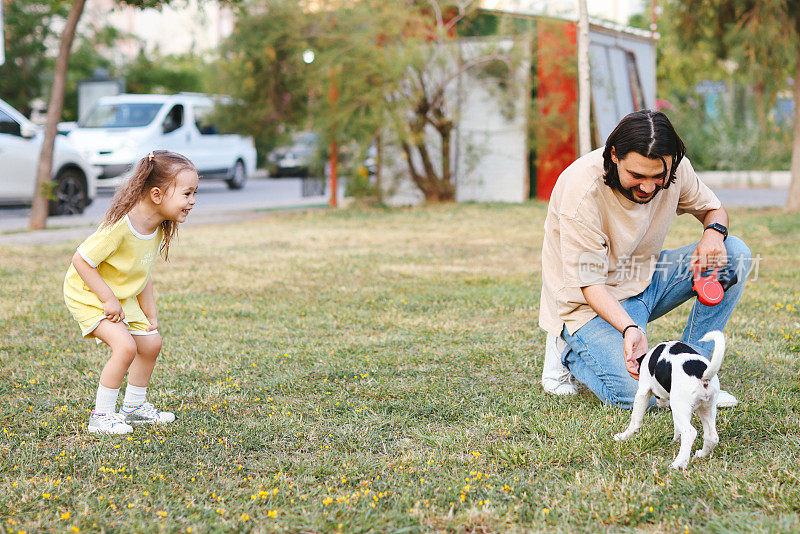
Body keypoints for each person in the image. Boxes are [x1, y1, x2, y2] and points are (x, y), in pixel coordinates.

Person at [538, 110, 751, 408]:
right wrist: (629, 329)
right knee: (638, 397)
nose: (648, 187)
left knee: (736, 254)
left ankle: (692, 374)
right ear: (614, 155)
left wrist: (714, 233)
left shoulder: (676, 168)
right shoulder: (581, 191)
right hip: (587, 302)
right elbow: (591, 285)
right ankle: (567, 350)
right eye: (636, 176)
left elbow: (713, 210)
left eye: (657, 177)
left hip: (645, 279)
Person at [63, 150, 199, 434]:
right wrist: (108, 299)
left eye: (193, 193)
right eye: (187, 194)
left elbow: (142, 271)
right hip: (89, 291)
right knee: (125, 347)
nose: (192, 201)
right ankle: (101, 417)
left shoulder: (158, 226)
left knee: (151, 344)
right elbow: (82, 261)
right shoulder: (120, 227)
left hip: (121, 293)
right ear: (158, 195)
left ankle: (134, 407)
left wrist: (149, 312)